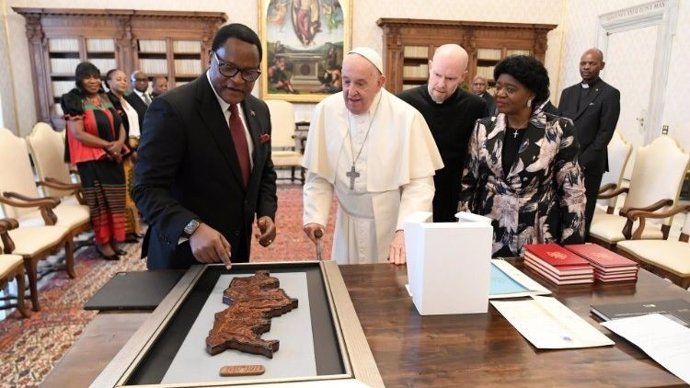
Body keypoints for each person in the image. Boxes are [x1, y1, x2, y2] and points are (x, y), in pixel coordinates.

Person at [133, 23, 278, 270]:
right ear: (211, 57)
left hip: (236, 251)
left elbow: (264, 171)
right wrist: (192, 228)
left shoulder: (259, 110)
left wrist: (265, 212)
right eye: (228, 68)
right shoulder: (172, 109)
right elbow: (146, 189)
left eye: (249, 73)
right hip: (182, 258)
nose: (237, 81)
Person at [302, 47, 443, 265]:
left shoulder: (406, 117)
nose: (350, 91)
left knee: (389, 290)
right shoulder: (326, 111)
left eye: (360, 83)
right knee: (346, 287)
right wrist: (315, 216)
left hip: (391, 223)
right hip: (347, 222)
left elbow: (420, 185)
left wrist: (404, 229)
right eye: (346, 81)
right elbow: (318, 175)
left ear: (380, 82)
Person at [458, 55, 586, 257]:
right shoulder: (483, 127)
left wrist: (573, 244)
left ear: (531, 94)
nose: (500, 93)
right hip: (489, 232)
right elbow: (468, 184)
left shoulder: (558, 129)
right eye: (498, 86)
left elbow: (572, 190)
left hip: (538, 231)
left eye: (510, 89)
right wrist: (463, 229)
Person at [398, 44, 488, 222]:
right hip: (411, 193)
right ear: (430, 66)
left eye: (450, 78)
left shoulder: (476, 106)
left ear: (463, 76)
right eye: (437, 75)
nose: (441, 84)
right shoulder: (402, 102)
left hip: (453, 195)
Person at [60, 62, 128, 261]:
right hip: (91, 160)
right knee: (100, 203)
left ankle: (115, 240)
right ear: (80, 80)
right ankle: (103, 243)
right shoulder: (73, 100)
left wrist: (119, 144)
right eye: (87, 77)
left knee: (116, 201)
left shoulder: (107, 97)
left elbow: (121, 123)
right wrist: (109, 145)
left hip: (114, 156)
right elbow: (78, 133)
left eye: (96, 76)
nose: (93, 81)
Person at [558, 48, 620, 238]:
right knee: (561, 206)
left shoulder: (610, 94)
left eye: (592, 63)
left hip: (590, 163)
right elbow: (558, 126)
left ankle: (578, 246)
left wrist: (581, 162)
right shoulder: (568, 92)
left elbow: (605, 133)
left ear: (601, 66)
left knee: (583, 210)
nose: (586, 67)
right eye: (583, 63)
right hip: (564, 162)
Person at [105, 68, 144, 242]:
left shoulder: (125, 101)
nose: (123, 82)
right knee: (126, 192)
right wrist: (130, 149)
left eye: (124, 79)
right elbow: (115, 128)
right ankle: (126, 231)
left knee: (133, 188)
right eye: (118, 79)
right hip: (124, 150)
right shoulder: (108, 102)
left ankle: (134, 228)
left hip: (136, 146)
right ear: (108, 82)